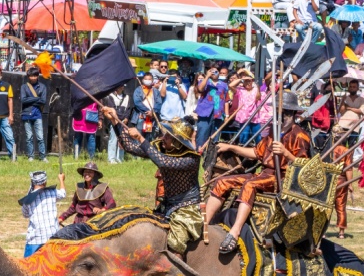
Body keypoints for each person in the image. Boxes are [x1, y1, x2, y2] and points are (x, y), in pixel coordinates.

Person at [204, 96, 312, 254]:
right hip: (264, 174)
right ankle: (203, 224)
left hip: (282, 178)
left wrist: (286, 153)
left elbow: (305, 167)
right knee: (222, 182)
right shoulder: (273, 132)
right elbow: (256, 152)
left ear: (293, 114)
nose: (280, 117)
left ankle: (235, 231)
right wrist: (230, 147)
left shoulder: (300, 136)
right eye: (278, 113)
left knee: (249, 185)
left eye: (285, 113)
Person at [111, 116, 203, 255]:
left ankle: (178, 275)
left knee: (175, 244)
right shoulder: (164, 148)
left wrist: (142, 139)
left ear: (177, 143)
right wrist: (115, 120)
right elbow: (130, 147)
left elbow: (164, 162)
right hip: (167, 205)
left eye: (168, 136)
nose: (163, 138)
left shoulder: (191, 159)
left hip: (186, 209)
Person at [20, 170, 66, 257]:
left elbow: (25, 214)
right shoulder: (52, 192)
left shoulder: (28, 200)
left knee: (29, 266)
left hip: (35, 239)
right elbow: (63, 193)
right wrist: (61, 180)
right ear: (45, 182)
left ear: (33, 182)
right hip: (52, 238)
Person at [58, 162, 114, 226]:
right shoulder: (80, 187)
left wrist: (102, 210)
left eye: (90, 172)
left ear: (95, 174)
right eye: (85, 172)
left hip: (95, 223)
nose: (87, 174)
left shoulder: (103, 188)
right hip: (78, 222)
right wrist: (61, 218)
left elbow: (111, 203)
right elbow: (73, 206)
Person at [104, 84, 129, 164]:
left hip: (123, 122)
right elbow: (112, 109)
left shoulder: (127, 97)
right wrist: (118, 119)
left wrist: (126, 118)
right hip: (114, 121)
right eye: (120, 86)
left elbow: (128, 109)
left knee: (123, 140)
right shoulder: (111, 96)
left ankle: (120, 158)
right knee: (113, 139)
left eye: (123, 86)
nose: (121, 87)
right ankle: (111, 158)